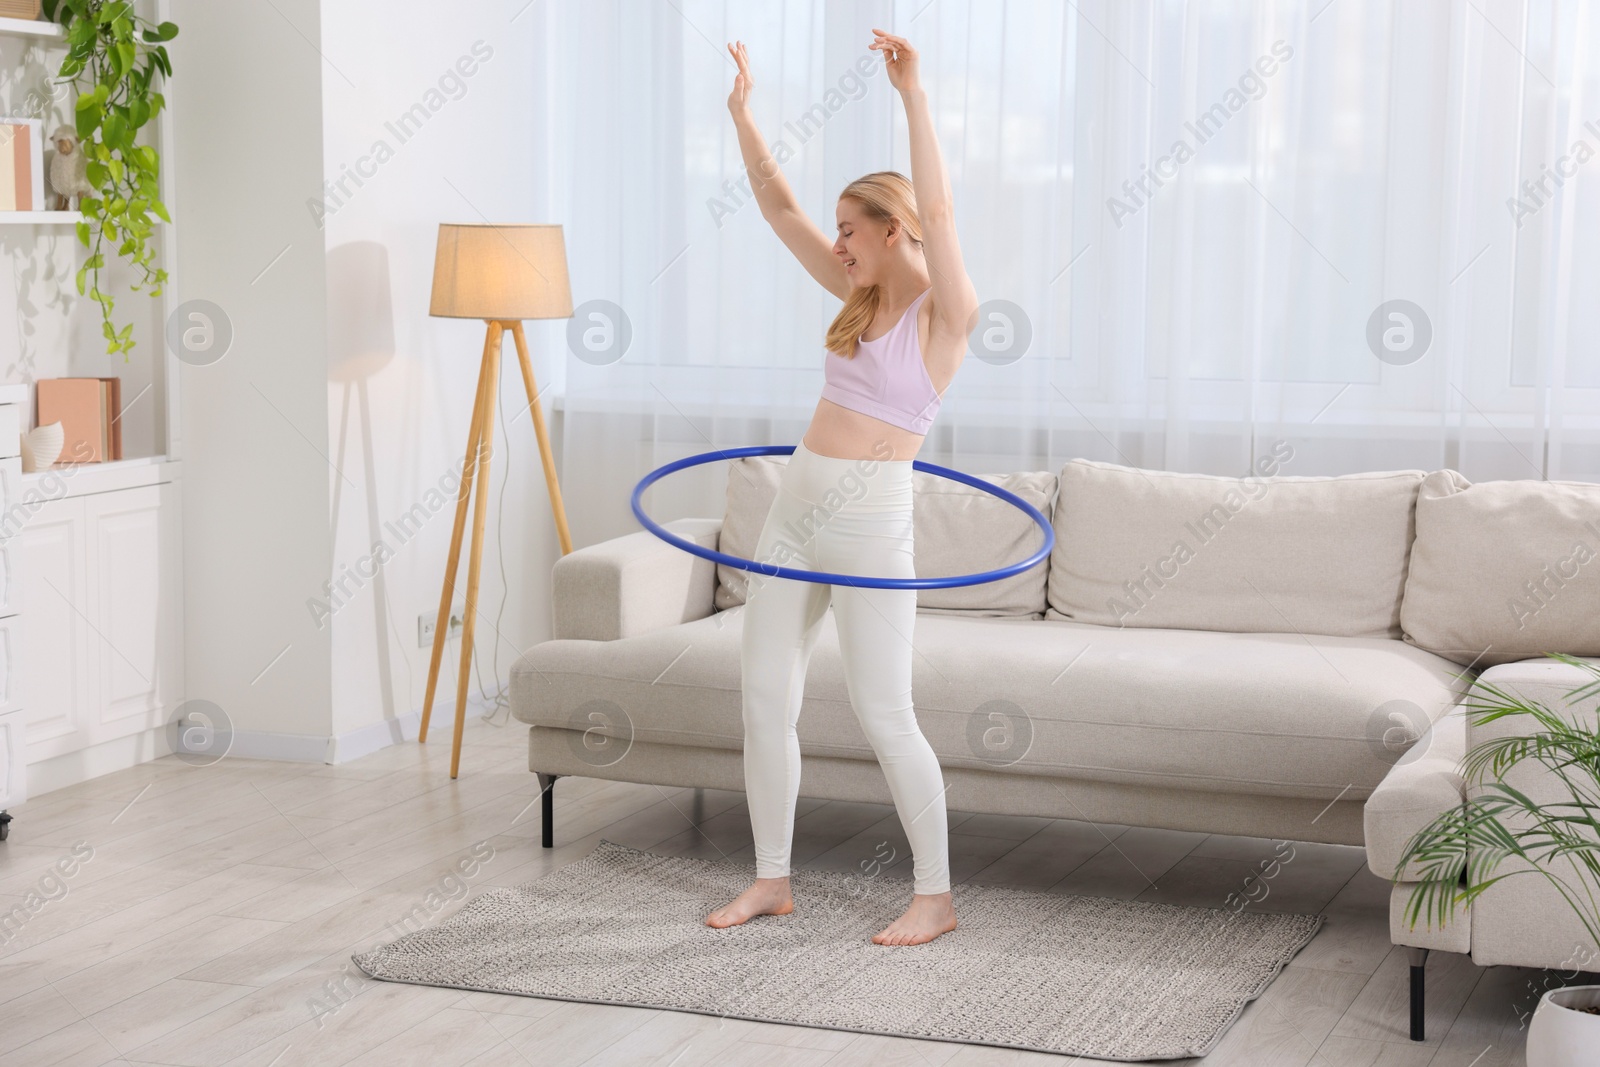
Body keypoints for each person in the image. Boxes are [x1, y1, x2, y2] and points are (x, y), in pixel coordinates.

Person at [706, 30, 979, 946]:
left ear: (893, 231)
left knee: (883, 711)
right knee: (763, 698)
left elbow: (939, 212)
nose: (837, 245)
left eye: (852, 231)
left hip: (870, 523)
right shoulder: (853, 298)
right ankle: (772, 879)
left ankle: (934, 896)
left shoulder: (946, 316)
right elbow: (778, 208)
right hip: (794, 511)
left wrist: (914, 96)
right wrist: (744, 116)